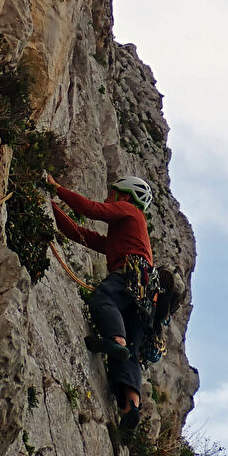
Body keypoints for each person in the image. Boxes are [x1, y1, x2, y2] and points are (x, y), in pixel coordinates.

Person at [46, 173, 155, 432]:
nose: (108, 198)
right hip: (147, 297)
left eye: (112, 193)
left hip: (130, 276)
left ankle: (115, 340)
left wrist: (56, 188)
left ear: (125, 196)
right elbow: (84, 236)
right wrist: (51, 211)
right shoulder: (126, 235)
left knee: (105, 299)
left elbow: (91, 210)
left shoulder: (129, 210)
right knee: (131, 350)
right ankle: (131, 405)